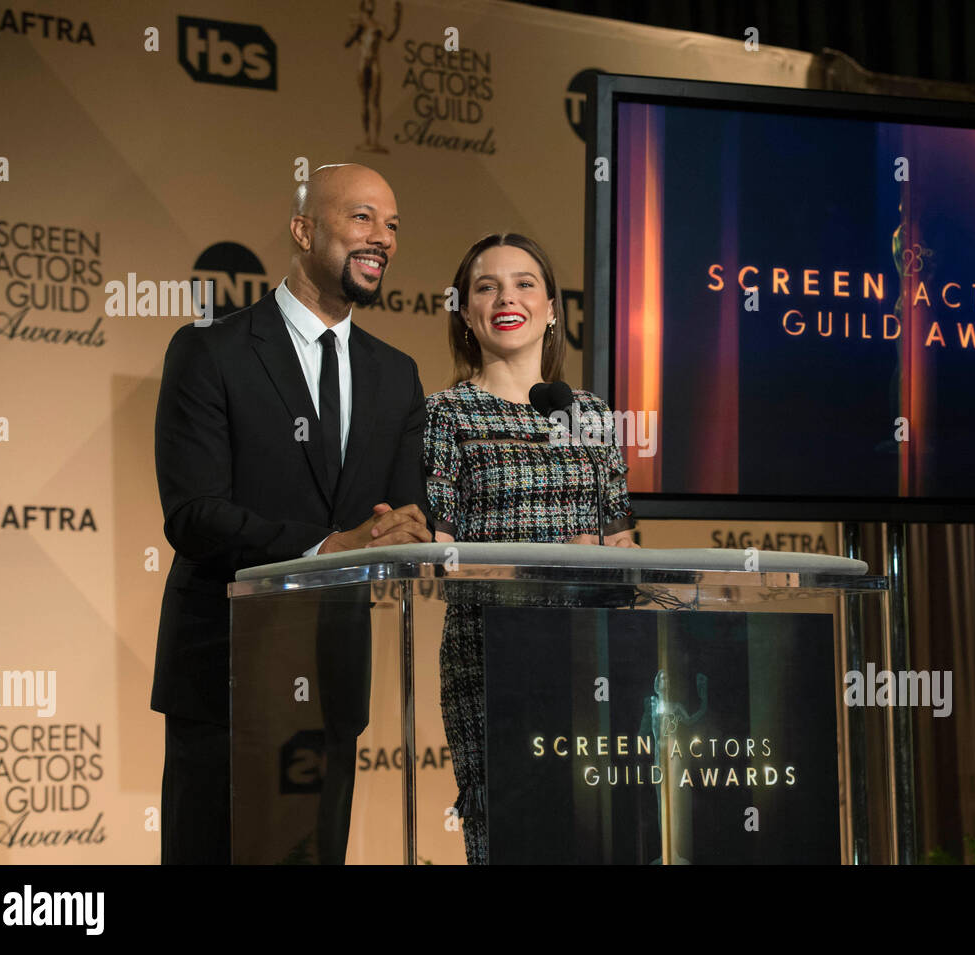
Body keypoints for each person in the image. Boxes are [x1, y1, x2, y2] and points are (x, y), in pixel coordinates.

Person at [152, 163, 431, 864]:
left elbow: (402, 518)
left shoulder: (395, 374)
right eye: (363, 217)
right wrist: (326, 546)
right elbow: (193, 513)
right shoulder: (210, 349)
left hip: (333, 677)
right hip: (224, 674)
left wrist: (408, 534)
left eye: (393, 224)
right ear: (304, 230)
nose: (383, 237)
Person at [424, 232, 638, 864]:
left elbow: (623, 549)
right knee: (507, 835)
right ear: (465, 312)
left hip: (592, 659)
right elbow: (443, 559)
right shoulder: (445, 415)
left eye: (524, 283)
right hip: (492, 659)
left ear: (551, 308)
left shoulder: (593, 416)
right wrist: (544, 562)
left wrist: (599, 554)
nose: (505, 298)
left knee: (596, 835)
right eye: (485, 286)